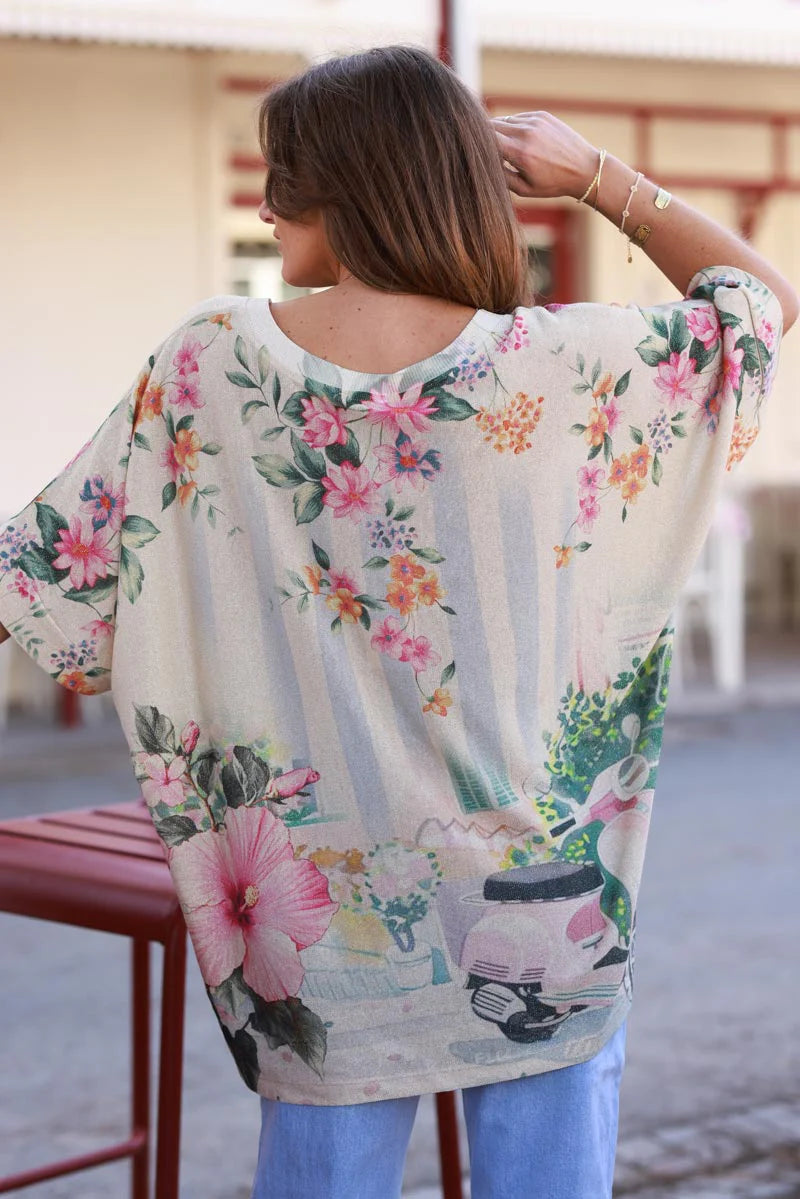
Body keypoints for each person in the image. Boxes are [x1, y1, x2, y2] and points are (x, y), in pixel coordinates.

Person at [0, 42, 796, 1199]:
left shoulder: (210, 362)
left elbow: (43, 570)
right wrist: (594, 176)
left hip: (319, 917)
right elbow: (758, 306)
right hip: (541, 892)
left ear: (348, 186)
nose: (265, 207)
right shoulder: (564, 363)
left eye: (282, 177)